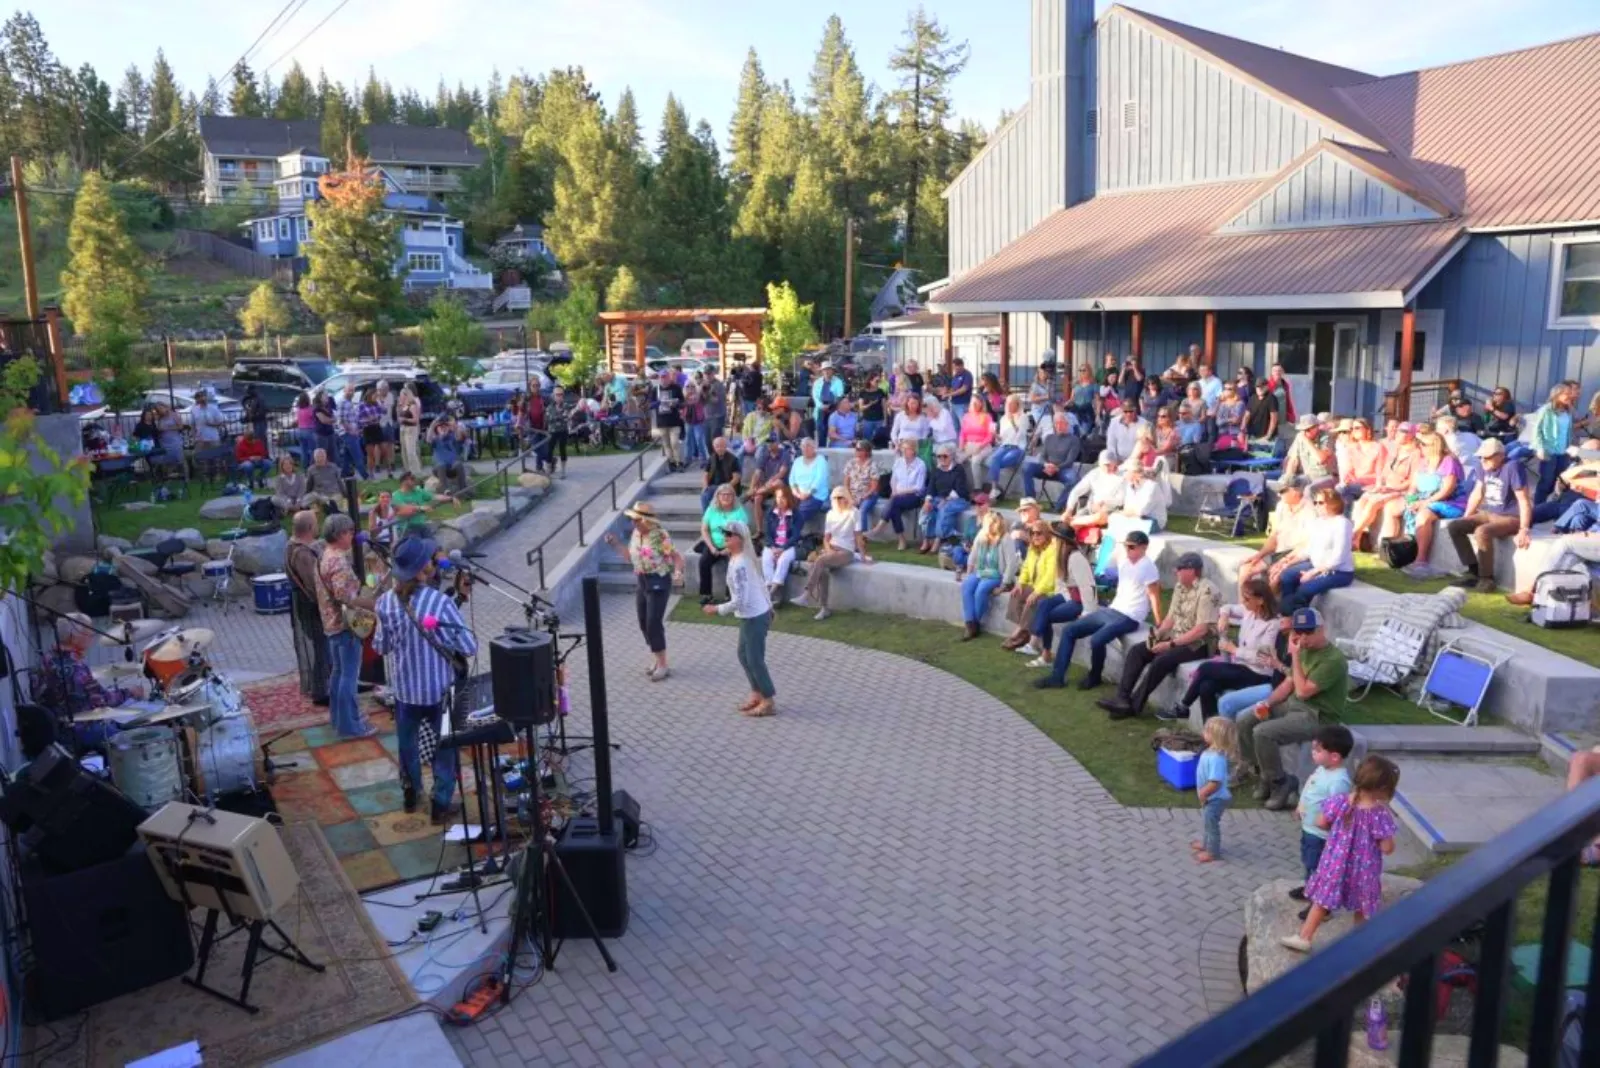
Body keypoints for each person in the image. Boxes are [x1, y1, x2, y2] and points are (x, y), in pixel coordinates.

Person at [371, 536, 474, 820]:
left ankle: (410, 793)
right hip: (439, 691)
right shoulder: (439, 602)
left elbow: (381, 647)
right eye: (428, 559)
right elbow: (469, 647)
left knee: (408, 746)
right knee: (445, 748)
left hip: (405, 691)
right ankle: (440, 803)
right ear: (422, 569)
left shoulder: (385, 603)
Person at [1280, 755, 1400, 954]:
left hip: (1335, 864)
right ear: (1383, 789)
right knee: (1362, 907)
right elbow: (1387, 848)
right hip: (1364, 871)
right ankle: (1359, 944)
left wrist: (1339, 836)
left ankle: (1304, 937)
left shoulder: (1341, 802)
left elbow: (1320, 822)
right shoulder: (1379, 814)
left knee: (1321, 902)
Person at [1238, 607, 1349, 810]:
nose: (1303, 638)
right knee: (1245, 720)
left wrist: (1295, 656)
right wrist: (1267, 703)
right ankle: (1265, 774)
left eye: (1308, 632)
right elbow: (1289, 683)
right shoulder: (1304, 649)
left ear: (1321, 630)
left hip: (1318, 716)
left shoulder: (1333, 660)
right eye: (1299, 632)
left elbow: (1304, 691)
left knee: (1263, 733)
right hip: (1294, 707)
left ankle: (1281, 783)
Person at [1035, 528, 1162, 690]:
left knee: (1097, 640)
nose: (1127, 550)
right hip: (1113, 609)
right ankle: (1057, 677)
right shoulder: (1124, 563)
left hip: (1130, 616)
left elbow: (1154, 595)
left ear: (1144, 547)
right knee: (1069, 631)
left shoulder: (1148, 567)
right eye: (1126, 546)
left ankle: (1095, 676)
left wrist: (1159, 622)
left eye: (1132, 547)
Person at [1098, 552, 1219, 720]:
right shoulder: (1180, 587)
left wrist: (1170, 644)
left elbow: (1201, 630)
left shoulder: (1208, 591)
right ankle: (1122, 699)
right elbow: (1170, 618)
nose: (1175, 571)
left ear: (1192, 570)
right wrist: (1158, 633)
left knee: (1162, 660)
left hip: (1200, 643)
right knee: (1137, 651)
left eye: (1180, 568)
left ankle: (1134, 706)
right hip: (1178, 635)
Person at [1161, 576, 1287, 723]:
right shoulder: (1249, 611)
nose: (1244, 602)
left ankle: (1183, 706)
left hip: (1258, 674)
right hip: (1242, 667)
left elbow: (1263, 658)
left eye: (1247, 599)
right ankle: (1213, 734)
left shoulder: (1272, 624)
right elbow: (1226, 607)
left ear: (1260, 601)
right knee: (1206, 687)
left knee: (1206, 667)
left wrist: (1234, 650)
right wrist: (1224, 616)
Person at [701, 520, 777, 717]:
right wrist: (770, 605)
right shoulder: (736, 559)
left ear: (740, 539)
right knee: (744, 656)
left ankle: (768, 700)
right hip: (750, 615)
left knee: (754, 659)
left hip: (754, 617)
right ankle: (756, 693)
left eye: (729, 534)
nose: (725, 537)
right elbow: (760, 583)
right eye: (724, 534)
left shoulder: (741, 564)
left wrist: (717, 609)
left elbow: (741, 600)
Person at [314, 513, 379, 739]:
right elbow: (345, 597)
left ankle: (339, 719)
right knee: (348, 677)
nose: (352, 536)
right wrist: (372, 603)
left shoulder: (325, 555)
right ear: (340, 534)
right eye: (350, 532)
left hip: (330, 622)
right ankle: (351, 726)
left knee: (339, 674)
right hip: (345, 625)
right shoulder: (339, 561)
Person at [604, 502, 683, 682]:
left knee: (653, 622)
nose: (634, 523)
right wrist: (615, 544)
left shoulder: (660, 536)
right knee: (643, 622)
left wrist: (678, 572)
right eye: (632, 519)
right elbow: (630, 557)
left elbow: (676, 556)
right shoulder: (636, 534)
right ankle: (656, 657)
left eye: (636, 520)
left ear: (646, 520)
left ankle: (663, 664)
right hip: (642, 580)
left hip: (659, 581)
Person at [1446, 437, 1532, 594]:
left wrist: (1524, 529)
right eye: (1480, 457)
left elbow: (1524, 500)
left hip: (1511, 517)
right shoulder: (1481, 467)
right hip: (1488, 512)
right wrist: (1466, 516)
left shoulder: (1513, 467)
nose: (1482, 460)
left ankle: (1487, 579)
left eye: (1487, 457)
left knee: (1482, 532)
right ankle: (1473, 571)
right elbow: (1477, 493)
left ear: (1500, 455)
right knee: (1455, 526)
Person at [1385, 430, 1467, 578]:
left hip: (1450, 502)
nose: (1419, 447)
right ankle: (1392, 549)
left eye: (1422, 444)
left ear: (1432, 446)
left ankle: (1421, 560)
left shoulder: (1449, 461)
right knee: (1392, 507)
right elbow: (1413, 488)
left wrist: (1423, 503)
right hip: (1423, 498)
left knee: (1423, 516)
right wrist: (1410, 501)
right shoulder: (1423, 462)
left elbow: (1447, 490)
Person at [1290, 725, 1355, 902]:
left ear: (1334, 757)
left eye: (1318, 750)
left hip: (1321, 834)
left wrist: (1327, 823)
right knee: (1308, 861)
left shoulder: (1339, 781)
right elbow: (1310, 788)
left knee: (1317, 865)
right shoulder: (1322, 769)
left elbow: (1338, 809)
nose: (1313, 753)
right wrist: (1300, 807)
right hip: (1309, 828)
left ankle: (1319, 902)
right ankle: (1309, 887)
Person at [1018, 524, 1100, 666]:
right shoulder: (1061, 555)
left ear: (1062, 541)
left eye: (1055, 538)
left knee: (1046, 616)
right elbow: (1061, 584)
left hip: (1080, 602)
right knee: (1044, 604)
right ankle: (1039, 647)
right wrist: (1059, 599)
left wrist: (1087, 612)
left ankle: (1041, 649)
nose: (1053, 541)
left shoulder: (1076, 558)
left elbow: (1087, 587)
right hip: (1068, 596)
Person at [34, 613, 132, 723]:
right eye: (88, 633)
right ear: (73, 637)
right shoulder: (78, 669)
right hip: (81, 730)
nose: (92, 637)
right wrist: (130, 692)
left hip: (56, 725)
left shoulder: (48, 658)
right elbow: (103, 700)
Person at [793, 487, 870, 621]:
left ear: (846, 498)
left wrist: (863, 556)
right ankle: (824, 608)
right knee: (822, 569)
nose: (838, 501)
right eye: (835, 498)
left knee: (821, 561)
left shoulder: (854, 513)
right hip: (831, 549)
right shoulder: (830, 514)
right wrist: (828, 549)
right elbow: (826, 538)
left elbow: (858, 537)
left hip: (846, 551)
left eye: (841, 497)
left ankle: (807, 593)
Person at [1276, 488, 1356, 614]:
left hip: (1338, 572)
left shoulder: (1343, 524)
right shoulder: (1319, 522)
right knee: (1287, 575)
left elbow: (1338, 558)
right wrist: (1289, 562)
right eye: (1315, 503)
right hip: (1316, 565)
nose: (1317, 506)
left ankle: (1298, 621)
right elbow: (1309, 549)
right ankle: (1287, 614)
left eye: (1321, 502)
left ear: (1333, 503)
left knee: (1305, 589)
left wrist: (1312, 573)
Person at [283, 510, 330, 707]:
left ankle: (324, 686)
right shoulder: (301, 553)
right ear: (310, 528)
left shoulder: (292, 546)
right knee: (321, 647)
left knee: (321, 647)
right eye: (316, 523)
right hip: (310, 605)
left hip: (304, 603)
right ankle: (322, 691)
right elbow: (314, 584)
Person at [1350, 422, 1419, 551]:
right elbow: (1384, 472)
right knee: (1362, 500)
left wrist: (1392, 489)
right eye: (1398, 430)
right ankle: (1359, 538)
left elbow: (1413, 481)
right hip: (1387, 487)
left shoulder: (1416, 454)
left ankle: (1354, 534)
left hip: (1402, 491)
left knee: (1374, 503)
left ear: (1412, 435)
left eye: (1403, 431)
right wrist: (1379, 485)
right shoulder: (1396, 450)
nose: (1398, 433)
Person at [1239, 478, 1312, 595]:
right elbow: (1274, 536)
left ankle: (1269, 611)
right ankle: (1246, 609)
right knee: (1245, 569)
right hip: (1278, 553)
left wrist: (1285, 562)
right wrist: (1259, 555)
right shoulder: (1281, 506)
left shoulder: (1310, 510)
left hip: (1296, 555)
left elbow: (1306, 544)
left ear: (1296, 491)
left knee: (1274, 579)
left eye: (1283, 491)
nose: (1279, 494)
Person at [998, 522, 1059, 650]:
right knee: (1016, 593)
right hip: (1034, 585)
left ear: (1047, 534)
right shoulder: (1033, 548)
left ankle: (1020, 630)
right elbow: (1025, 568)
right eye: (1032, 533)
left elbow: (1050, 576)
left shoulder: (1052, 550)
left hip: (1049, 590)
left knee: (1033, 600)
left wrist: (1036, 592)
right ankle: (1024, 631)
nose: (1035, 536)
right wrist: (1020, 583)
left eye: (1039, 533)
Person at [959, 511, 1014, 638]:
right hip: (981, 571)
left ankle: (974, 624)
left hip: (997, 574)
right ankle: (970, 622)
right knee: (967, 586)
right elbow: (973, 555)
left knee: (981, 590)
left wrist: (1004, 585)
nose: (994, 525)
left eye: (996, 522)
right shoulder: (982, 535)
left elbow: (1011, 564)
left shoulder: (1005, 538)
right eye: (991, 523)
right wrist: (969, 572)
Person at [1191, 717, 1238, 864]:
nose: (1203, 732)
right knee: (1207, 821)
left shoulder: (1217, 758)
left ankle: (1213, 852)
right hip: (1211, 797)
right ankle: (1206, 844)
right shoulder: (1210, 752)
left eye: (1207, 731)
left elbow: (1215, 783)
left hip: (1216, 798)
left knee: (1211, 824)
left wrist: (1204, 793)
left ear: (1216, 736)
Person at [697, 483, 748, 605]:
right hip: (714, 544)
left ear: (733, 497)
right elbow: (704, 530)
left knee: (733, 565)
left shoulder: (739, 511)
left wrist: (729, 548)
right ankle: (707, 594)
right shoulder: (711, 509)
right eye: (723, 494)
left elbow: (742, 533)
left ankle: (730, 595)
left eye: (729, 494)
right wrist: (711, 547)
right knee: (704, 562)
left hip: (734, 545)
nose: (726, 497)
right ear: (718, 496)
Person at [1020, 412, 1083, 510]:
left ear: (1067, 424)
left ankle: (1058, 507)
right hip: (1046, 468)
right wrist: (1046, 465)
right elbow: (1042, 456)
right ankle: (1030, 501)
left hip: (1063, 469)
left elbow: (1070, 460)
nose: (1059, 426)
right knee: (1026, 467)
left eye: (1061, 423)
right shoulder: (1049, 438)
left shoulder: (1074, 440)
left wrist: (1056, 468)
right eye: (1056, 423)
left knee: (1074, 479)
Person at [918, 444, 972, 554]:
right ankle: (927, 539)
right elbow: (931, 487)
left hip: (959, 498)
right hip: (940, 498)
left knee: (944, 510)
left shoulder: (958, 469)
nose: (942, 459)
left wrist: (946, 499)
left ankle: (939, 539)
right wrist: (927, 501)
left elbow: (959, 489)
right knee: (926, 510)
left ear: (951, 456)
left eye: (945, 456)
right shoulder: (936, 470)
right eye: (939, 456)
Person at [875, 438, 928, 550]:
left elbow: (919, 487)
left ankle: (880, 529)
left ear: (913, 450)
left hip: (914, 496)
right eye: (902, 448)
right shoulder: (899, 462)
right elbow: (893, 480)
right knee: (894, 507)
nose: (903, 451)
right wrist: (894, 491)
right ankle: (901, 540)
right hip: (898, 496)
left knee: (894, 502)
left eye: (906, 449)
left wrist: (899, 492)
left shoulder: (920, 464)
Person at [1531, 383, 1576, 503]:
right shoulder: (1546, 410)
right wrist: (1540, 448)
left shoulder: (1569, 411)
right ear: (1557, 395)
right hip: (1549, 451)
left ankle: (1554, 507)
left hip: (1563, 452)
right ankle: (1538, 508)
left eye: (1570, 393)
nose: (1570, 396)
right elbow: (1537, 430)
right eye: (1566, 393)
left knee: (1562, 481)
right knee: (1546, 482)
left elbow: (1568, 431)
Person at [761, 485, 803, 602]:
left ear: (789, 498)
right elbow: (767, 533)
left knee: (783, 559)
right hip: (773, 545)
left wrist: (783, 548)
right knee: (766, 558)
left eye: (783, 497)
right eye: (778, 497)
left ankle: (770, 593)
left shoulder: (796, 515)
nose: (780, 500)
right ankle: (773, 590)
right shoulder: (771, 512)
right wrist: (773, 547)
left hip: (789, 545)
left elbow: (795, 536)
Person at [1272, 414, 1334, 491]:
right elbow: (1293, 460)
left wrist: (1307, 441)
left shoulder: (1326, 437)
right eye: (1303, 430)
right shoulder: (1300, 437)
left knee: (1309, 489)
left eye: (1307, 429)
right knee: (1283, 485)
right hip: (1307, 476)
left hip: (1324, 477)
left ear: (1316, 427)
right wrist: (1288, 477)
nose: (1305, 432)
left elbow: (1321, 459)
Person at [986, 395, 1032, 499]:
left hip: (1018, 447)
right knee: (993, 459)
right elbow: (1002, 439)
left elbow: (1020, 435)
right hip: (1004, 446)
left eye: (1012, 403)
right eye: (1008, 403)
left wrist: (1012, 421)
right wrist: (995, 436)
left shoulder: (1023, 417)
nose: (1009, 405)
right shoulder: (1003, 418)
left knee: (995, 462)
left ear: (1018, 404)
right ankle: (994, 488)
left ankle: (995, 489)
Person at [1335, 418, 1383, 507]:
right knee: (1341, 490)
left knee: (1343, 490)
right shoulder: (1352, 448)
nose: (1354, 431)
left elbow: (1380, 471)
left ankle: (1346, 519)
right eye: (1352, 428)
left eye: (1357, 428)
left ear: (1367, 430)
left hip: (1371, 483)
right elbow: (1350, 470)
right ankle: (1347, 518)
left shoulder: (1378, 447)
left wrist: (1378, 486)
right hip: (1356, 483)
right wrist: (1346, 480)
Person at [787, 437, 831, 529]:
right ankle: (779, 536)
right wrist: (795, 492)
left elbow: (819, 481)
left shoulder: (820, 461)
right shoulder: (797, 461)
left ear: (814, 447)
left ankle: (792, 539)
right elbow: (792, 479)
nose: (805, 448)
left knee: (800, 515)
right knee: (782, 506)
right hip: (797, 493)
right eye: (803, 446)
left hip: (815, 495)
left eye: (808, 446)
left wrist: (807, 494)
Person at [744, 437, 793, 517]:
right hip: (766, 486)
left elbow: (782, 473)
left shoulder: (785, 454)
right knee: (757, 499)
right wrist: (751, 488)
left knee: (778, 482)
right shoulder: (764, 454)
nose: (769, 444)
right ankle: (759, 529)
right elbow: (757, 473)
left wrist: (770, 481)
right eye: (768, 442)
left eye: (772, 442)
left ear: (777, 443)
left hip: (780, 485)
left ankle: (754, 493)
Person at [842, 440, 880, 534]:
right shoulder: (851, 463)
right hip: (852, 494)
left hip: (868, 495)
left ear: (866, 452)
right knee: (841, 507)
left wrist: (862, 497)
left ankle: (862, 536)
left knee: (862, 510)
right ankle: (845, 535)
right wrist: (850, 498)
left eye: (859, 449)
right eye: (856, 449)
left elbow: (874, 487)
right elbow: (846, 484)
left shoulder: (872, 465)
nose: (856, 451)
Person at [429, 414, 470, 496]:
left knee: (458, 464)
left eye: (445, 427)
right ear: (437, 429)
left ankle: (463, 490)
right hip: (439, 469)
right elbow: (428, 438)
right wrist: (433, 424)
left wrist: (454, 425)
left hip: (452, 468)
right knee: (441, 465)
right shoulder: (435, 439)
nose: (443, 429)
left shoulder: (452, 437)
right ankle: (445, 491)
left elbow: (461, 436)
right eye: (441, 427)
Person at [654, 368, 686, 471]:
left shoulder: (676, 388)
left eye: (665, 377)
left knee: (675, 442)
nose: (664, 379)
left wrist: (676, 404)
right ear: (659, 378)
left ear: (669, 377)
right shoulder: (656, 389)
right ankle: (671, 462)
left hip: (674, 420)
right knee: (666, 444)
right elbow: (650, 405)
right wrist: (658, 403)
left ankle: (679, 462)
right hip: (662, 421)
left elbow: (682, 403)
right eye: (662, 377)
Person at [956, 397, 997, 478]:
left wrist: (980, 446)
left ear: (981, 404)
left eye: (977, 403)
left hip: (984, 446)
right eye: (972, 402)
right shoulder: (966, 416)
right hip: (969, 445)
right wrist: (961, 446)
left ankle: (977, 488)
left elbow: (990, 435)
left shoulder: (988, 417)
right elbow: (962, 433)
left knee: (975, 461)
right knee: (956, 459)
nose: (974, 405)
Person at [334, 383, 368, 478]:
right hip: (348, 434)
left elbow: (352, 419)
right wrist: (351, 431)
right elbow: (341, 420)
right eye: (349, 390)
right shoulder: (343, 403)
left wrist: (359, 428)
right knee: (358, 456)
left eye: (352, 390)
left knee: (347, 457)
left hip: (352, 433)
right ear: (344, 391)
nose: (351, 392)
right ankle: (366, 477)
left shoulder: (349, 402)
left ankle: (343, 474)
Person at [701, 435, 742, 512]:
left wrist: (726, 487)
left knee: (721, 494)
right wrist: (705, 486)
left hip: (729, 486)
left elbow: (736, 478)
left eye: (721, 446)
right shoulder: (711, 458)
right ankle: (706, 518)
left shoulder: (733, 459)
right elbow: (706, 474)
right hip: (714, 486)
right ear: (714, 447)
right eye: (717, 446)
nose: (719, 448)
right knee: (705, 495)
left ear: (725, 446)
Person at [812, 363, 845, 443]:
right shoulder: (817, 382)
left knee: (834, 430)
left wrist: (830, 405)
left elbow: (840, 395)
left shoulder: (838, 382)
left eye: (828, 369)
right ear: (822, 371)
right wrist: (821, 405)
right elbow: (815, 396)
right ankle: (822, 449)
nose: (826, 372)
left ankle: (834, 448)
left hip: (833, 407)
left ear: (832, 371)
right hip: (821, 408)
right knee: (821, 430)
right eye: (824, 370)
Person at [544, 386, 573, 478]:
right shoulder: (550, 407)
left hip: (563, 430)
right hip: (552, 431)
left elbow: (567, 417)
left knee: (562, 450)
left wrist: (559, 417)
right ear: (553, 396)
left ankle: (563, 471)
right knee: (549, 450)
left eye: (561, 395)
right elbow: (548, 419)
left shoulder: (566, 405)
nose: (559, 397)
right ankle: (548, 470)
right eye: (557, 395)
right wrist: (560, 416)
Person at [395, 385, 423, 476]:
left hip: (410, 429)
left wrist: (405, 420)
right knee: (405, 451)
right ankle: (408, 470)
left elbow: (416, 420)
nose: (400, 397)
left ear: (407, 395)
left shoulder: (412, 405)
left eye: (402, 395)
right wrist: (399, 407)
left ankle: (416, 472)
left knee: (411, 452)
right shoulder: (404, 405)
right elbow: (399, 416)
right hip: (403, 428)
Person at [358, 386, 385, 478]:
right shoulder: (362, 405)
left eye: (377, 396)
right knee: (370, 453)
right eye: (375, 395)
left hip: (377, 428)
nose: (376, 397)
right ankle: (371, 474)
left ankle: (388, 471)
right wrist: (369, 419)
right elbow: (360, 419)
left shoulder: (376, 404)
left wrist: (381, 402)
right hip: (368, 429)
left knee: (383, 449)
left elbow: (384, 411)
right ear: (369, 395)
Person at [1245, 377, 1280, 444]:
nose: (1259, 389)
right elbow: (1246, 415)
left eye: (1262, 386)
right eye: (1258, 387)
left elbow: (1274, 419)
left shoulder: (1272, 398)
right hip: (1253, 435)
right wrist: (1242, 430)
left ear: (1267, 386)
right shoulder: (1252, 398)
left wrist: (1268, 436)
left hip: (1267, 437)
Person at [856, 371, 887, 444]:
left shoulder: (881, 391)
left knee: (879, 440)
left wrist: (885, 420)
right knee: (866, 441)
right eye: (876, 381)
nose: (878, 383)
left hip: (879, 419)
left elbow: (884, 406)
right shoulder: (863, 392)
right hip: (867, 420)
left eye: (879, 381)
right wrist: (870, 404)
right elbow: (861, 408)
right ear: (870, 381)